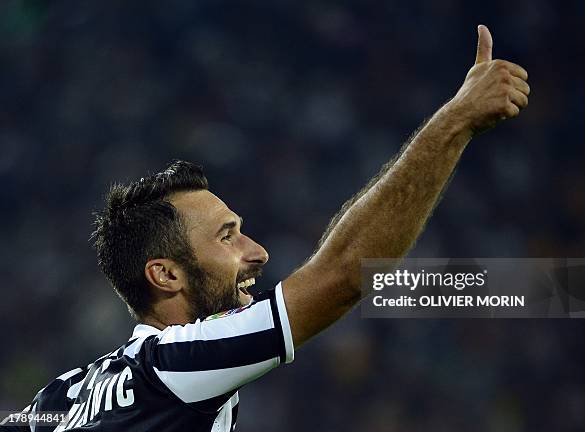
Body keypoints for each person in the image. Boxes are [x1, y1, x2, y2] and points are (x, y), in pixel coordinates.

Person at [1, 25, 529, 431]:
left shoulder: (63, 396)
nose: (257, 252)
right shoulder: (178, 366)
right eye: (226, 237)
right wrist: (456, 121)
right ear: (165, 275)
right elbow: (347, 276)